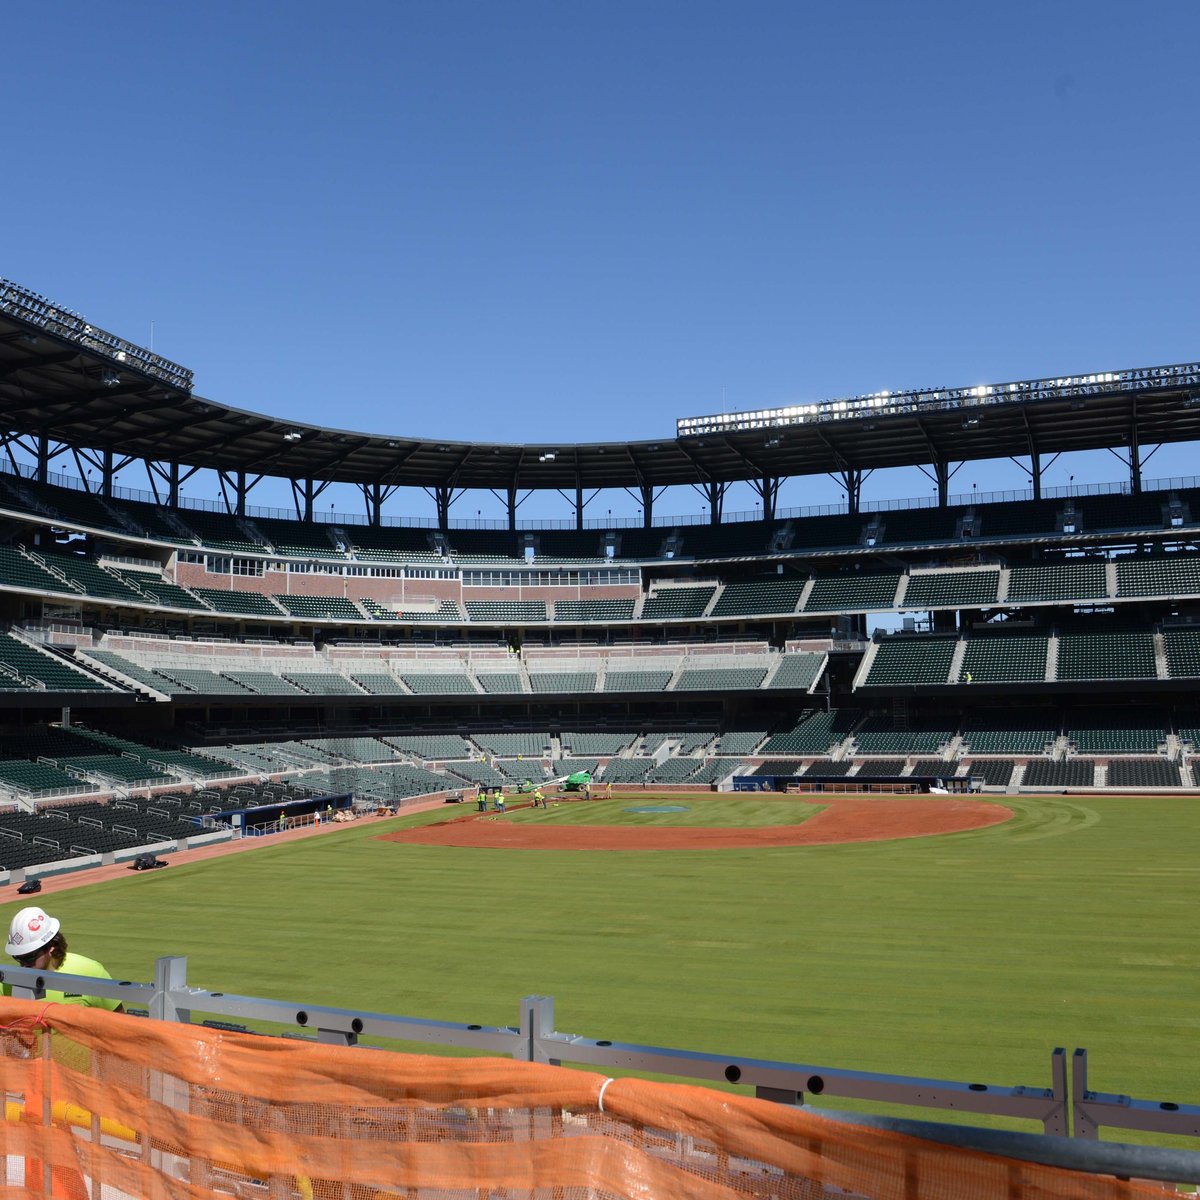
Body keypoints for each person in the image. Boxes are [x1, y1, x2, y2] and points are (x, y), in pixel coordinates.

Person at [4, 907, 123, 1012]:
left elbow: (122, 1025)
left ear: (51, 946)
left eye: (29, 957)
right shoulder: (7, 981)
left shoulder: (90, 972)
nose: (23, 965)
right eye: (18, 957)